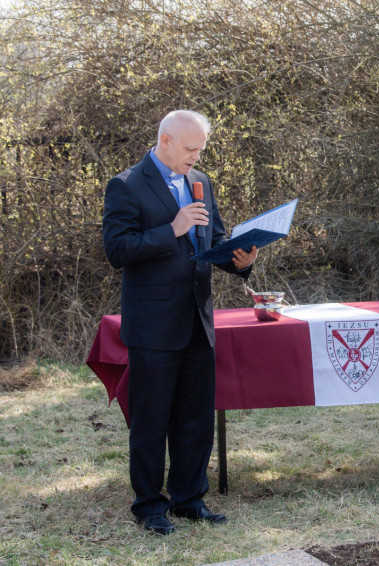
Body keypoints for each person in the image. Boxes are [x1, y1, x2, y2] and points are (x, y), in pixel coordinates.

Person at [102, 110, 258, 535]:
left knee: (195, 418)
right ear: (165, 140)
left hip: (197, 320)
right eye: (191, 149)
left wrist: (240, 259)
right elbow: (117, 249)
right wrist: (171, 229)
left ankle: (189, 499)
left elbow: (214, 240)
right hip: (153, 325)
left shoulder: (200, 181)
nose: (196, 157)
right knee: (151, 421)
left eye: (200, 150)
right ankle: (150, 506)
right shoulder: (126, 185)